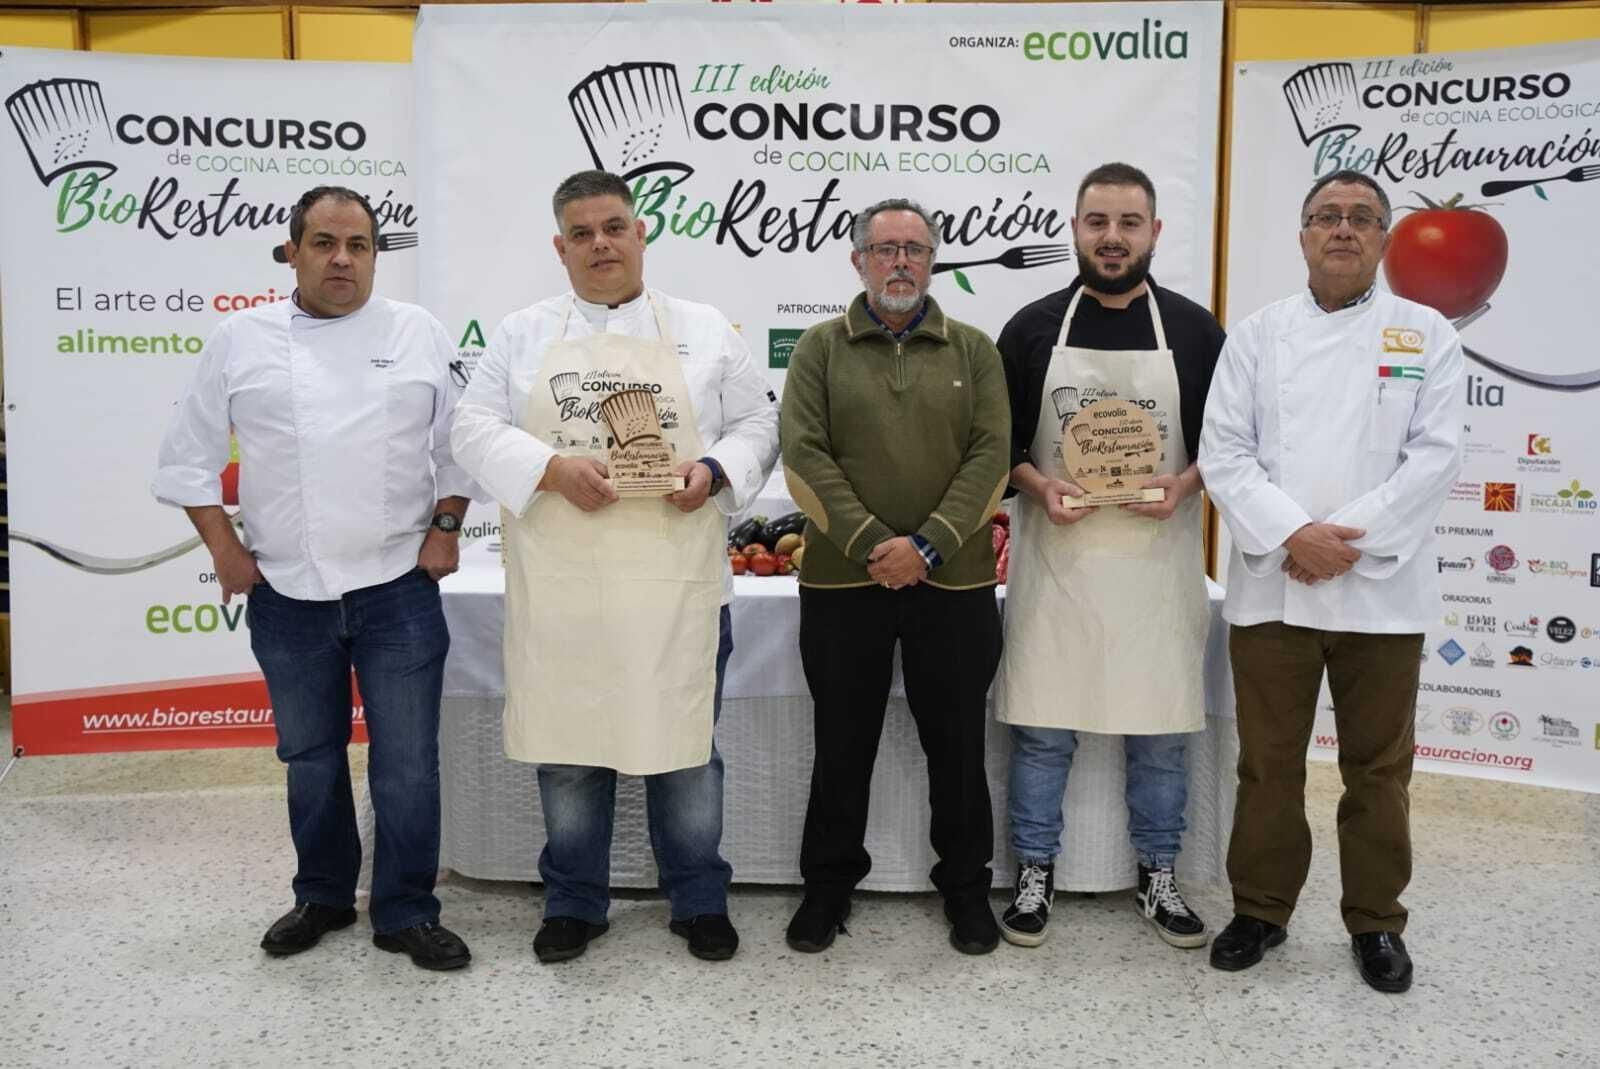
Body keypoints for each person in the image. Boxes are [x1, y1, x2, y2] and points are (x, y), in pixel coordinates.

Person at [450, 170, 779, 964]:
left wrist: (716, 471)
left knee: (687, 754)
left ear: (640, 234)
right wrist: (550, 469)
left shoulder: (703, 328)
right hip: (564, 583)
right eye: (583, 232)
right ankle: (574, 902)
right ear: (560, 247)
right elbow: (471, 427)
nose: (602, 243)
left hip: (678, 583)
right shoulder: (521, 334)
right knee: (569, 753)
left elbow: (758, 421)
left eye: (615, 227)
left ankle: (699, 897)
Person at [152, 185, 475, 971]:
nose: (342, 259)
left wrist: (445, 527)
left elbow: (459, 445)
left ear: (375, 255)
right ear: (291, 251)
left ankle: (405, 908)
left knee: (406, 762)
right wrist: (224, 549)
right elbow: (186, 458)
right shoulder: (241, 337)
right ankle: (324, 893)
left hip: (398, 584)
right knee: (310, 755)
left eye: (358, 245)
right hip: (288, 593)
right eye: (324, 243)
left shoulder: (417, 331)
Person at [1199, 169, 1463, 993]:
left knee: (1378, 769)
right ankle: (1261, 908)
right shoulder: (1256, 335)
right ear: (1303, 234)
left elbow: (1436, 458)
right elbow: (1224, 451)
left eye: (1361, 218)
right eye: (1326, 217)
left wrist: (1344, 543)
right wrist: (1293, 536)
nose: (1342, 229)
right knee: (1268, 764)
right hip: (1275, 586)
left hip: (1381, 591)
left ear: (1384, 237)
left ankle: (1377, 921)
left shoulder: (1427, 335)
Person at [993, 162, 1223, 950]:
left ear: (1156, 232)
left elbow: (1227, 448)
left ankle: (1159, 874)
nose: (1113, 238)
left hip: (1156, 566)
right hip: (1058, 564)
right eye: (1098, 222)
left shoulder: (1195, 331)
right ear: (1076, 229)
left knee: (1159, 733)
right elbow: (999, 451)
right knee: (1045, 733)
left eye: (1130, 223)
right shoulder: (1029, 328)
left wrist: (1187, 483)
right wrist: (1037, 483)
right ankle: (1034, 871)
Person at [780, 197, 1011, 955]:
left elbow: (991, 457)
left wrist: (931, 547)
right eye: (885, 250)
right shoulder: (818, 347)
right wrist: (879, 543)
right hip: (845, 585)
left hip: (956, 584)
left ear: (934, 259)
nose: (901, 261)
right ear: (858, 261)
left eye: (914, 247)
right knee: (842, 743)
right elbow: (805, 457)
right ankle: (827, 888)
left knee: (956, 746)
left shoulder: (974, 350)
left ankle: (968, 892)